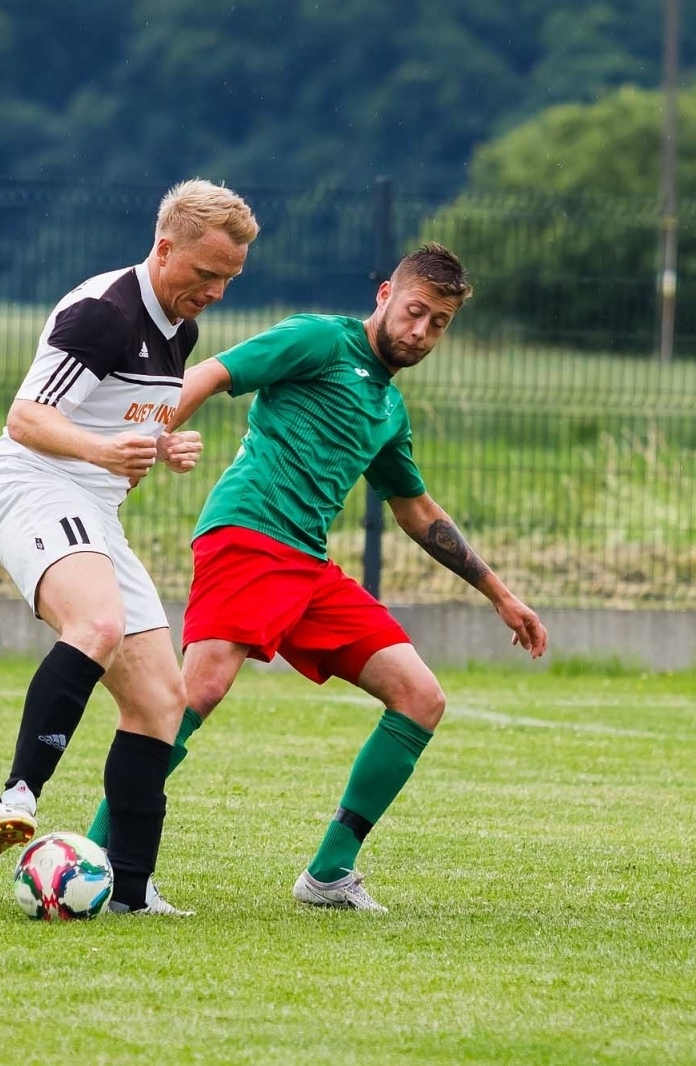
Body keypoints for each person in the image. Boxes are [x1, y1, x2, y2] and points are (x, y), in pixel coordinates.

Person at [83, 242, 548, 911]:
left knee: (421, 698)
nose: (421, 331)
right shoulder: (318, 339)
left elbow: (417, 512)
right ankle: (110, 863)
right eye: (415, 311)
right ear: (386, 295)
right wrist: (149, 439)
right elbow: (211, 373)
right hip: (247, 533)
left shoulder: (388, 411)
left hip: (306, 564)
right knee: (198, 690)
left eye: (439, 324)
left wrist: (502, 597)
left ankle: (329, 874)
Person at [0, 179, 259, 917]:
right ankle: (16, 794)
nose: (217, 291)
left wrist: (165, 446)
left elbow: (123, 422)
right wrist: (105, 453)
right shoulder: (104, 312)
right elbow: (27, 419)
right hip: (32, 487)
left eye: (230, 277)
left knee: (164, 700)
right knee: (95, 626)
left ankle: (130, 889)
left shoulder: (180, 330)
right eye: (206, 273)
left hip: (93, 507)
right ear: (165, 249)